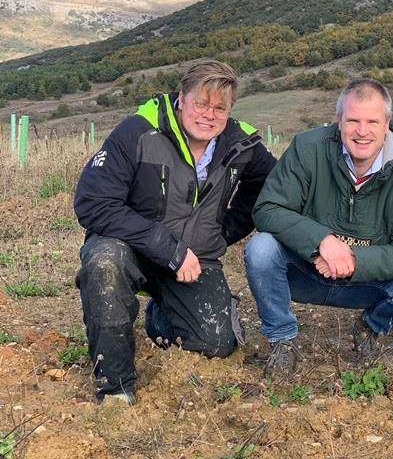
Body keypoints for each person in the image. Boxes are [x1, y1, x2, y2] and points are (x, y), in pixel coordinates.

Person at [74, 60, 275, 404]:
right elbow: (94, 203)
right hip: (131, 247)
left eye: (220, 108)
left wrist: (224, 230)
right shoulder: (138, 131)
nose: (209, 115)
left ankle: (159, 315)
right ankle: (115, 386)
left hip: (195, 257)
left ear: (230, 110)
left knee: (216, 343)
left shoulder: (241, 143)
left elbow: (271, 185)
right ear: (181, 98)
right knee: (105, 263)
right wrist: (167, 247)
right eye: (201, 103)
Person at [245, 78, 393, 377]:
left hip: (366, 283)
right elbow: (267, 208)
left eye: (372, 121)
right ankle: (282, 341)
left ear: (387, 124)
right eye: (353, 120)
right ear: (338, 121)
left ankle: (370, 327)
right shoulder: (307, 148)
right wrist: (321, 241)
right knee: (261, 249)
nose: (362, 131)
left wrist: (354, 260)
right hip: (305, 271)